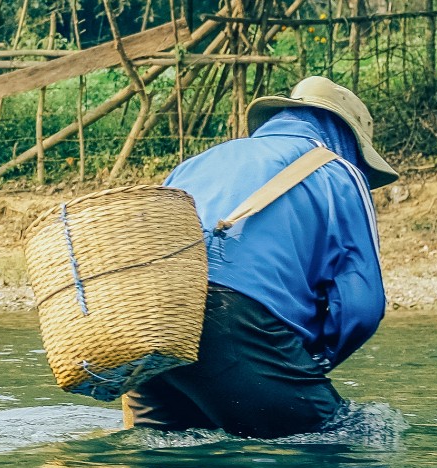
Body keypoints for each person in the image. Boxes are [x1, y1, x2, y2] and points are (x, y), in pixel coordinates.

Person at [123, 76, 396, 437]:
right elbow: (362, 309)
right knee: (339, 443)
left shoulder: (198, 162)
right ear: (347, 136)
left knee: (161, 467)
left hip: (149, 329)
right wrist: (311, 363)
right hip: (234, 325)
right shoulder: (339, 171)